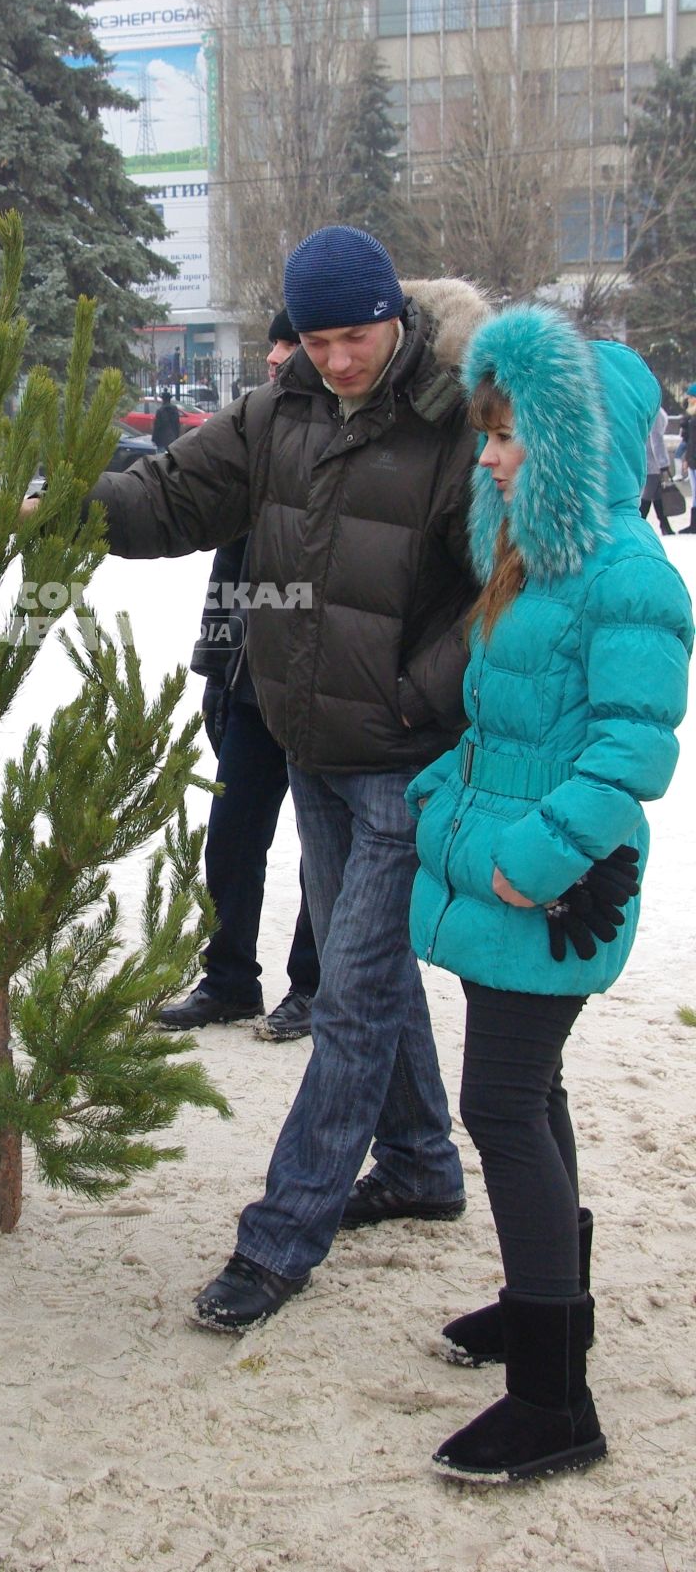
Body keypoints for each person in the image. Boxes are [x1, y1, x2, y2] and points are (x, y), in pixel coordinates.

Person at [75, 226, 493, 1330]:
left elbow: (507, 582)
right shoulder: (276, 413)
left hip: (408, 758)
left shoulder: (456, 416)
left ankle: (277, 1239)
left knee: (349, 997)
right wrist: (61, 510)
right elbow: (167, 495)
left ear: (392, 318)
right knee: (377, 978)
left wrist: (421, 692)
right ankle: (415, 1160)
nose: (338, 360)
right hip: (312, 746)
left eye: (353, 337)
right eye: (316, 341)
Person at [406, 305, 691, 1480]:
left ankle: (553, 1398)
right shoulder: (527, 561)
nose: (486, 453)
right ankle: (547, 1304)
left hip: (551, 887)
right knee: (531, 1090)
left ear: (574, 441)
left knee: (501, 1104)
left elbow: (629, 752)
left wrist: (531, 855)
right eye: (486, 430)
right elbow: (497, 722)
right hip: (500, 872)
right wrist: (441, 794)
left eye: (509, 432)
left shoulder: (628, 572)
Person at [158, 310, 319, 1042]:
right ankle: (229, 980)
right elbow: (231, 569)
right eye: (277, 354)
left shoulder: (345, 447)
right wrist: (218, 673)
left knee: (328, 850)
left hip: (330, 691)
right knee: (230, 838)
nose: (278, 364)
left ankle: (316, 988)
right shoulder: (261, 442)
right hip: (253, 688)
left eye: (290, 353)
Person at [638, 404, 675, 535]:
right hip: (653, 462)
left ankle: (665, 526)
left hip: (648, 458)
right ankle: (638, 526)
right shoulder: (655, 411)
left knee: (656, 495)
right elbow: (656, 439)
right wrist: (663, 463)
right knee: (647, 496)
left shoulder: (647, 408)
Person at [677, 384, 696, 533]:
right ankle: (693, 523)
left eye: (690, 396)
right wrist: (686, 459)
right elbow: (689, 440)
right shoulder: (691, 415)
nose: (688, 399)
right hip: (692, 458)